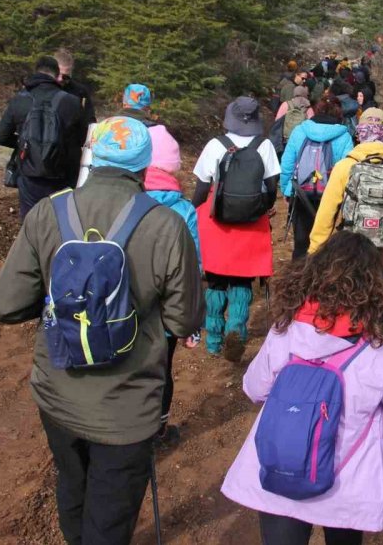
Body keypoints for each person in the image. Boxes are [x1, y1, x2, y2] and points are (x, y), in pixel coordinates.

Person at [0, 116, 203, 545]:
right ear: (145, 166)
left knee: (72, 486)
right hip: (127, 408)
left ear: (93, 155)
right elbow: (183, 320)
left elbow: (5, 304)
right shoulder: (167, 226)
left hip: (58, 393)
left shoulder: (48, 212)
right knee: (110, 516)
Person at [221, 231, 383, 544]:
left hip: (282, 472)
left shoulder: (288, 326)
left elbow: (253, 388)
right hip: (348, 486)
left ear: (314, 274)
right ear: (376, 284)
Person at [308, 108, 383, 309]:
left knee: (350, 300)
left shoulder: (344, 166)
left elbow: (326, 214)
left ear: (359, 132)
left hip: (349, 249)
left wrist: (315, 249)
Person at [192, 96, 280, 360]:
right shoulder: (264, 146)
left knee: (216, 280)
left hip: (216, 220)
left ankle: (214, 340)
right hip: (251, 222)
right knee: (243, 279)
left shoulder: (215, 145)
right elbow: (272, 188)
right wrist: (261, 207)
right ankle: (237, 330)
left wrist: (192, 211)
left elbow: (200, 188)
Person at [142, 114, 202, 446]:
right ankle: (158, 430)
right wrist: (190, 322)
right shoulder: (182, 210)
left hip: (126, 309)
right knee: (162, 371)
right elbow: (191, 269)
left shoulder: (125, 202)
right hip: (165, 316)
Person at [0, 56, 86, 218]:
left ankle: (31, 242)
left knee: (30, 221)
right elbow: (81, 139)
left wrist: (26, 144)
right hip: (62, 174)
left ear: (36, 73)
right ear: (56, 75)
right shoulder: (72, 102)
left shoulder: (20, 99)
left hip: (30, 172)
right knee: (60, 221)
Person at [279, 96, 354, 260]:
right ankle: (319, 278)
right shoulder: (344, 136)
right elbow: (348, 169)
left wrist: (286, 189)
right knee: (323, 239)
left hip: (300, 192)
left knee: (301, 241)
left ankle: (298, 278)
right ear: (339, 115)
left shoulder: (300, 131)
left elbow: (287, 164)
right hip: (329, 194)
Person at [54, 48, 96, 126]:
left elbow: (90, 120)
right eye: (58, 75)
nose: (60, 79)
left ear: (71, 72)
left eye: (65, 77)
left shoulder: (80, 92)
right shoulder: (43, 89)